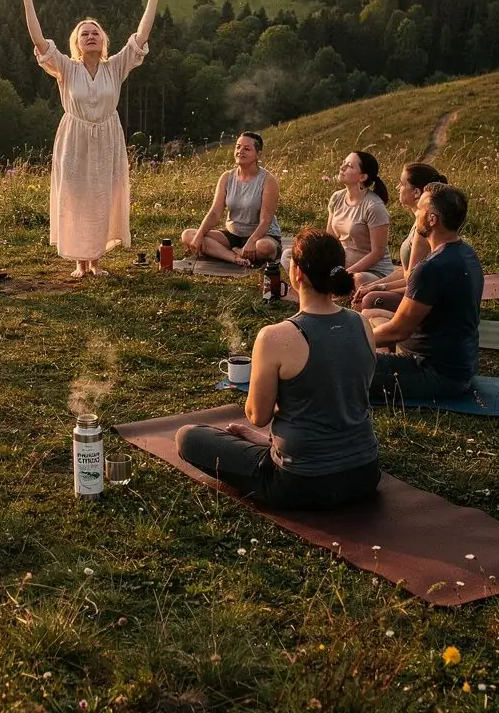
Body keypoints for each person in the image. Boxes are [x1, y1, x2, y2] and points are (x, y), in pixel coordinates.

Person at [175, 228, 380, 509]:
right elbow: (335, 400)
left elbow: (257, 415)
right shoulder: (362, 324)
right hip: (365, 475)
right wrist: (267, 441)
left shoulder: (276, 337)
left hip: (300, 481)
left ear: (297, 275)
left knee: (188, 436)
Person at [10, 0, 174, 278]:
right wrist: (28, 1)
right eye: (84, 33)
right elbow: (39, 40)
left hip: (108, 136)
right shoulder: (66, 68)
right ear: (76, 42)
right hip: (75, 137)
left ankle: (96, 260)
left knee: (102, 194)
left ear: (103, 40)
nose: (90, 36)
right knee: (76, 195)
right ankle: (79, 261)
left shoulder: (115, 67)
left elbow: (141, 38)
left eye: (95, 32)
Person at [370, 183, 483, 403]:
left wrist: (349, 341)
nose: (416, 215)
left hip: (434, 372)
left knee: (340, 368)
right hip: (460, 366)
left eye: (420, 210)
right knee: (371, 317)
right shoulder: (467, 253)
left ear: (432, 219)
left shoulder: (431, 268)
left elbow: (398, 331)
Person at [352, 163, 447, 314]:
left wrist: (379, 287)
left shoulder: (424, 231)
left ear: (416, 192)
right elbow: (406, 270)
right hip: (414, 286)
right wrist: (374, 284)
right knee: (364, 284)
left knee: (369, 299)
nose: (397, 188)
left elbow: (414, 281)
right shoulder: (418, 222)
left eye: (402, 184)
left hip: (422, 296)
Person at [181, 131, 282, 265]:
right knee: (188, 235)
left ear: (258, 154)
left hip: (261, 236)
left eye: (247, 149)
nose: (240, 151)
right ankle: (234, 257)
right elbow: (215, 212)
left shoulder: (268, 180)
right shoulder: (227, 177)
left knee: (265, 248)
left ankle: (238, 251)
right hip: (233, 235)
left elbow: (266, 220)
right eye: (238, 147)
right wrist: (199, 234)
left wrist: (251, 242)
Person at [324, 150, 392, 288]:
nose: (342, 168)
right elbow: (330, 239)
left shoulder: (374, 207)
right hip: (341, 266)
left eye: (349, 166)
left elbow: (377, 253)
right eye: (343, 163)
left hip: (372, 272)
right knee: (291, 256)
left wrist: (346, 273)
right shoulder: (337, 197)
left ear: (362, 177)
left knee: (358, 279)